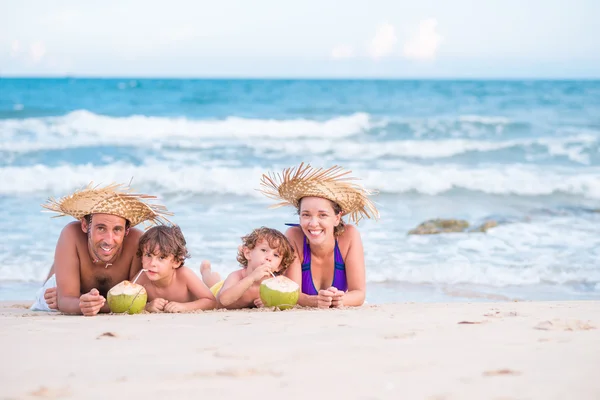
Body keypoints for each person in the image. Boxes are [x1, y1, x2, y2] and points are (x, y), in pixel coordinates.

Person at [31, 183, 171, 316]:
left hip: (96, 297)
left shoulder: (137, 243)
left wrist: (85, 303)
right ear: (85, 226)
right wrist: (76, 303)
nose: (109, 240)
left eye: (117, 229)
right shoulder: (71, 234)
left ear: (127, 230)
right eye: (101, 228)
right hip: (61, 290)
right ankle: (59, 269)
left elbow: (134, 298)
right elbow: (65, 300)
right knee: (51, 299)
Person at [259, 163, 379, 309]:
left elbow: (359, 293)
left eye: (322, 215)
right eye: (306, 215)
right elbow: (291, 294)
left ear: (337, 218)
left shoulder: (349, 236)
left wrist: (340, 300)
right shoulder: (294, 236)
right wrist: (315, 301)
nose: (313, 223)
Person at [200, 227, 295, 310]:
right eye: (264, 250)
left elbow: (285, 301)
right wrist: (252, 278)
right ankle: (206, 271)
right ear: (248, 254)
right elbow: (223, 300)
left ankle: (211, 274)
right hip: (220, 290)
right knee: (213, 283)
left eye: (276, 255)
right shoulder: (237, 276)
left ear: (279, 266)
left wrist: (270, 303)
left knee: (216, 280)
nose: (269, 257)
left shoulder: (274, 283)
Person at [135, 225, 217, 312]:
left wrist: (184, 307)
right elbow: (127, 302)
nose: (152, 263)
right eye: (148, 255)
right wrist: (147, 306)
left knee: (213, 285)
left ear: (176, 262)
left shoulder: (184, 274)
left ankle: (206, 270)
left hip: (213, 289)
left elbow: (211, 301)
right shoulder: (142, 277)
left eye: (161, 258)